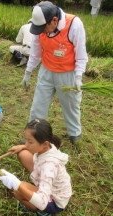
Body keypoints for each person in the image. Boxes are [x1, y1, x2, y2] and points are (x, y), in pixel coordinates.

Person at [21, 1, 88, 144]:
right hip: (46, 71)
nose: (41, 32)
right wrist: (28, 72)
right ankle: (33, 135)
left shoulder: (74, 24)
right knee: (38, 105)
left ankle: (74, 134)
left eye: (43, 28)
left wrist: (78, 78)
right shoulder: (40, 29)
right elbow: (36, 52)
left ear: (55, 20)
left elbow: (81, 55)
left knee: (71, 105)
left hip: (67, 73)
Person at [0, 119, 72, 216]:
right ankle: (35, 190)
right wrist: (22, 147)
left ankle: (43, 213)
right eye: (26, 140)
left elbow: (42, 201)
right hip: (49, 181)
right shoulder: (49, 146)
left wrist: (16, 184)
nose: (27, 144)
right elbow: (29, 147)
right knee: (22, 153)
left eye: (30, 142)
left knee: (18, 192)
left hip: (54, 201)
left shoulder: (49, 167)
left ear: (45, 144)